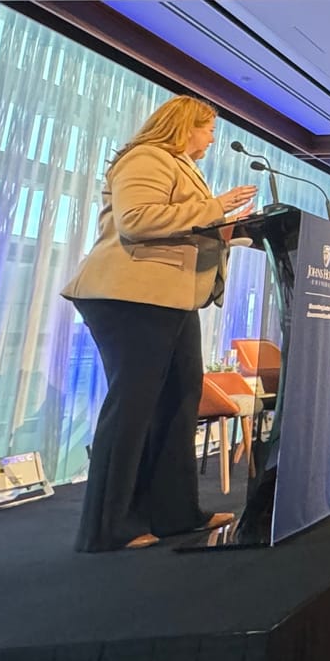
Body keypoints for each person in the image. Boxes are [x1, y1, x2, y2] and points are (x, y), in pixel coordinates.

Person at [61, 96, 255, 553]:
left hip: (172, 298)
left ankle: (175, 513)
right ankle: (107, 527)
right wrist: (216, 208)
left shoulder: (181, 165)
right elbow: (135, 220)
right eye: (208, 129)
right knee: (134, 407)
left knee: (180, 401)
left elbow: (179, 228)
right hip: (130, 298)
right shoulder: (146, 157)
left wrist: (229, 230)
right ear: (185, 126)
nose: (212, 139)